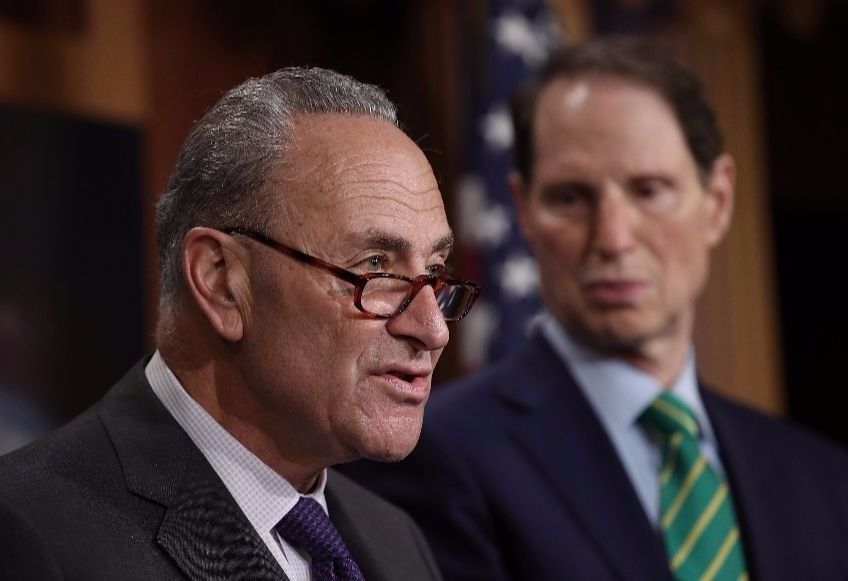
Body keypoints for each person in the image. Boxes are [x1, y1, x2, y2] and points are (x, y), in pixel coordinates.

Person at [341, 37, 848, 580]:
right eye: (570, 197)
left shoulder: (823, 478)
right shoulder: (434, 454)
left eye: (649, 191)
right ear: (524, 212)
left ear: (718, 201)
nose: (613, 239)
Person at [0, 67, 480, 580]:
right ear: (221, 282)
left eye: (434, 273)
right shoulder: (20, 537)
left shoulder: (394, 541)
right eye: (376, 267)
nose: (433, 330)